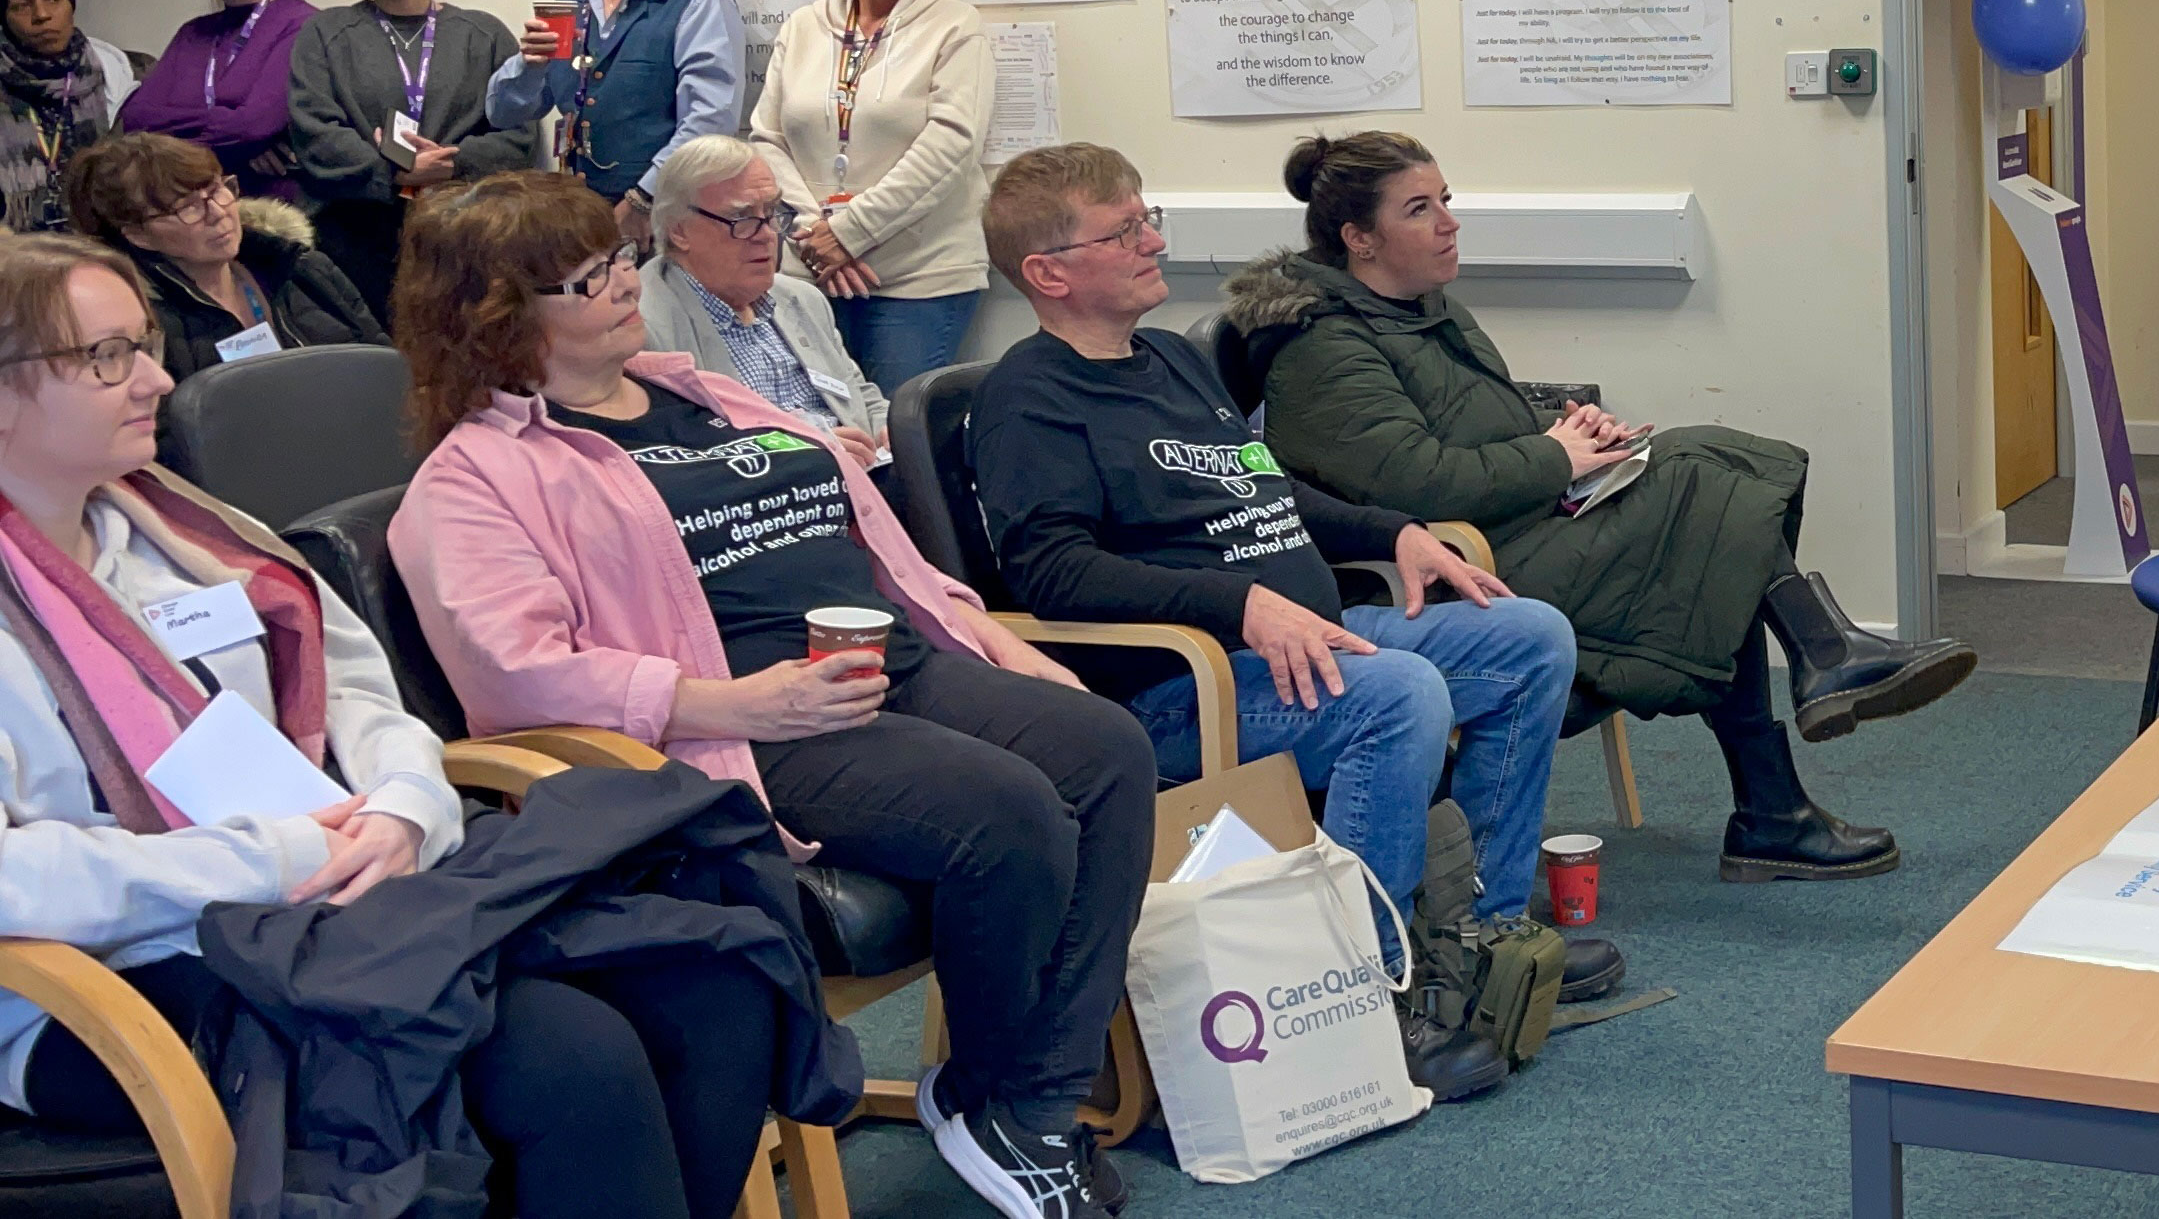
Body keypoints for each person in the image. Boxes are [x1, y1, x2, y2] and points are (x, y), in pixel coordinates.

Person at [388, 172, 1150, 1219]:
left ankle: (1030, 1103)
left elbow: (884, 555)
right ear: (496, 319)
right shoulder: (475, 478)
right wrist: (732, 705)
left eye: (615, 260)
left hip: (884, 661)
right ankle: (996, 1095)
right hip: (741, 722)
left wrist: (989, 643)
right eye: (584, 279)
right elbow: (515, 671)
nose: (622, 284)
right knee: (1007, 810)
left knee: (1106, 746)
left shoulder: (700, 390)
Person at [0, 234, 796, 1219]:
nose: (159, 378)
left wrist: (409, 807)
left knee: (708, 984)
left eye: (146, 343)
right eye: (105, 357)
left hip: (344, 898)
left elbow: (366, 701)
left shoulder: (183, 535)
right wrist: (278, 855)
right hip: (109, 978)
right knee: (567, 1063)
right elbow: (15, 880)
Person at [971, 145, 1612, 1103]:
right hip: (1183, 687)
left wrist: (1394, 531)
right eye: (1126, 231)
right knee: (1398, 697)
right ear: (1049, 273)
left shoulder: (1174, 361)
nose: (1154, 241)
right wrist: (1233, 603)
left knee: (1527, 637)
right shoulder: (1028, 397)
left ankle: (1475, 939)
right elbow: (1049, 573)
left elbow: (1271, 489)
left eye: (1150, 219)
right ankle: (1370, 994)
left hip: (1307, 642)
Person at [1222, 132, 1979, 884]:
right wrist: (1556, 457)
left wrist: (1573, 433)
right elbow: (1417, 483)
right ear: (1359, 239)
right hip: (1461, 571)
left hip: (1524, 521)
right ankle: (1798, 728)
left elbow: (1482, 422)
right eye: (1419, 209)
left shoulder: (1422, 307)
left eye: (1445, 200)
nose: (1449, 222)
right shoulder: (1319, 346)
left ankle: (1800, 731)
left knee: (1713, 478)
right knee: (1710, 513)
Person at [749, 0, 992, 401]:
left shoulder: (954, 24)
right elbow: (766, 138)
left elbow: (952, 144)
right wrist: (820, 234)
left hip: (919, 277)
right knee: (818, 428)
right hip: (813, 270)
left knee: (899, 441)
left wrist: (851, 231)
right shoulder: (803, 27)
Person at [285, 0, 543, 321]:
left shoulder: (483, 32)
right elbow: (315, 129)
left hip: (465, 230)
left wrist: (447, 165)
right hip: (360, 232)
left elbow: (516, 134)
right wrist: (396, 170)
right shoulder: (326, 34)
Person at [486, 0, 740, 246]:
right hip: (580, 221)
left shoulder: (699, 1)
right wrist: (529, 65)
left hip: (671, 222)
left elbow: (709, 123)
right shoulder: (568, 3)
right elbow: (503, 113)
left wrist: (643, 201)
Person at [60, 132, 381, 430]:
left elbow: (384, 370)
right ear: (139, 235)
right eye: (187, 208)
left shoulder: (302, 269)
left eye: (216, 190)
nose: (218, 212)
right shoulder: (139, 324)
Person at [639, 134, 889, 468]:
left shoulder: (801, 298)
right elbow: (678, 452)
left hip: (866, 480)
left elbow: (858, 393)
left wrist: (890, 427)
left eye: (771, 212)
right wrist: (804, 447)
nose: (767, 234)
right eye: (742, 219)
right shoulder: (642, 325)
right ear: (679, 231)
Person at [119, 0, 312, 203]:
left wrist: (241, 136)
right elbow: (137, 119)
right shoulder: (192, 34)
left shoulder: (302, 23)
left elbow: (253, 125)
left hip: (274, 209)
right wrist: (240, 145)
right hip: (194, 206)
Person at [0, 0, 126, 233]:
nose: (42, 15)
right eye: (22, 5)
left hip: (111, 246)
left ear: (71, 3)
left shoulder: (123, 76)